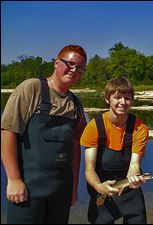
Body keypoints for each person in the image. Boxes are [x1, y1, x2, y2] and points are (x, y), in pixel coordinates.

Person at [1, 45, 88, 223]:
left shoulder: (76, 104)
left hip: (60, 193)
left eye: (79, 68)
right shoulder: (32, 88)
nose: (73, 70)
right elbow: (7, 132)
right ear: (56, 63)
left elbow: (76, 147)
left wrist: (73, 187)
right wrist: (14, 179)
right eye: (69, 64)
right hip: (27, 191)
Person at [80, 76, 149, 224]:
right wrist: (99, 187)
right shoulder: (94, 127)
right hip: (102, 189)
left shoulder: (139, 127)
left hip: (130, 191)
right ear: (107, 99)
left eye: (127, 98)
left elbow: (134, 165)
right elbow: (89, 170)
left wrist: (134, 178)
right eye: (117, 97)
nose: (123, 102)